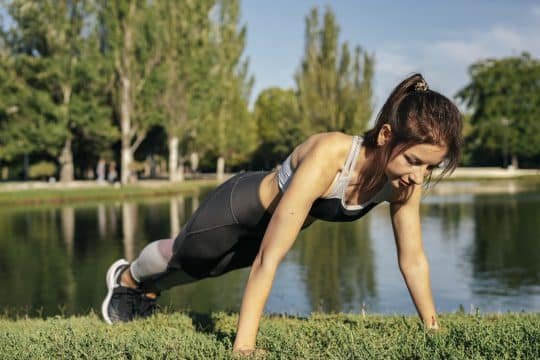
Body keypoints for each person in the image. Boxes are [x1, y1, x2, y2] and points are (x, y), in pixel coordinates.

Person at [101, 73, 463, 355]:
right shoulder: (331, 156)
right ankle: (128, 278)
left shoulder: (403, 183)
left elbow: (413, 260)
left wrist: (433, 329)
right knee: (183, 254)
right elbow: (269, 259)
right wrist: (244, 347)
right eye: (414, 161)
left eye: (429, 168)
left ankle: (146, 294)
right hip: (236, 210)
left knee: (202, 272)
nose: (418, 176)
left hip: (268, 229)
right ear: (386, 135)